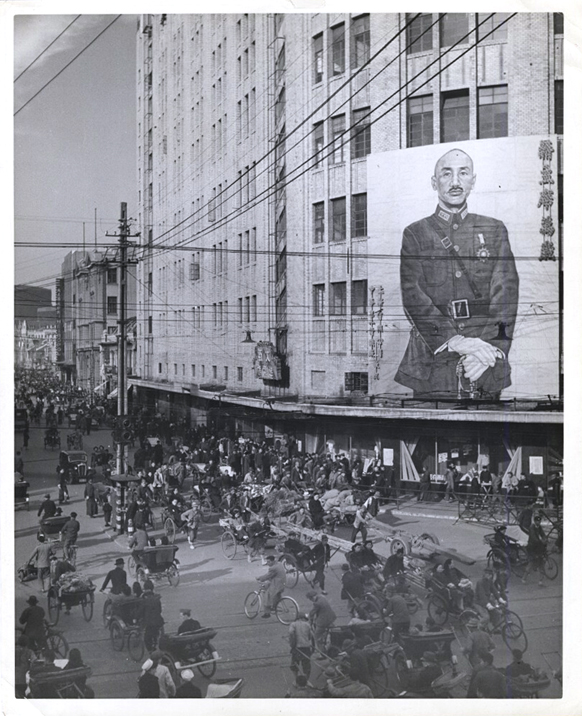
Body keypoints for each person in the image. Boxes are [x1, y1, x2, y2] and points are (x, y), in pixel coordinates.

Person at [395, 148, 519, 399]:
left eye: (463, 173)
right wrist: (453, 339)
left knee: (487, 435)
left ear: (473, 180)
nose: (455, 182)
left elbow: (505, 293)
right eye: (446, 174)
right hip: (432, 362)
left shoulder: (494, 229)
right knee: (431, 434)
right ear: (434, 182)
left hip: (484, 363)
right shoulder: (415, 233)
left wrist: (489, 350)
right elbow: (412, 295)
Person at [522, 512, 548, 586]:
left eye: (539, 521)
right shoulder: (532, 527)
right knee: (531, 562)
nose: (538, 522)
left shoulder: (539, 527)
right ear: (534, 521)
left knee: (541, 563)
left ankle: (540, 581)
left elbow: (543, 534)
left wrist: (545, 538)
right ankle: (524, 578)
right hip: (532, 547)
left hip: (539, 547)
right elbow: (533, 538)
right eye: (537, 521)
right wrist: (541, 541)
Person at [288, 613, 313, 680]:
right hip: (306, 647)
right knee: (306, 665)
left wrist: (292, 641)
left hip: (297, 647)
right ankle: (306, 679)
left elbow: (290, 632)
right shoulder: (307, 624)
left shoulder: (293, 624)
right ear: (303, 618)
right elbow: (311, 636)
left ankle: (296, 679)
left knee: (294, 664)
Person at [142, 581, 165, 651]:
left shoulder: (144, 600)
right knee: (156, 633)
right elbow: (160, 610)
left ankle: (151, 651)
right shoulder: (157, 599)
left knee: (147, 638)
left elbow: (140, 612)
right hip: (159, 621)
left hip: (150, 623)